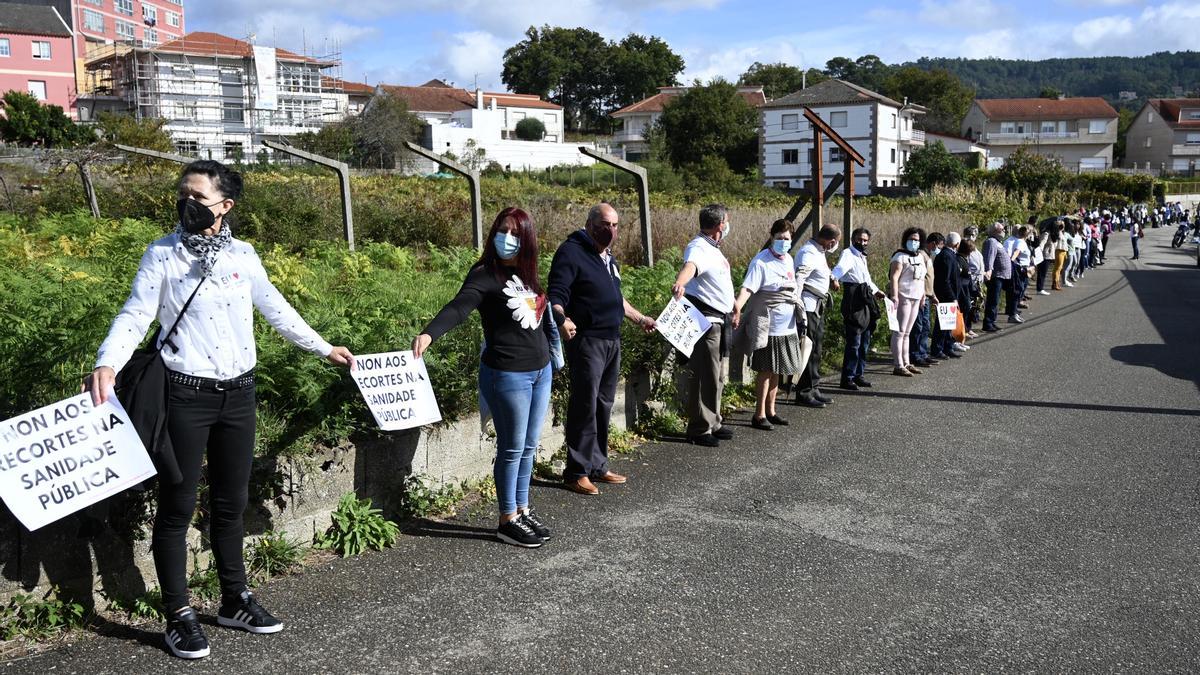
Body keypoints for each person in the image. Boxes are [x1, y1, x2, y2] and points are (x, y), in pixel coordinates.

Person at [85, 160, 356, 660]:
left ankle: (235, 598)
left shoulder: (243, 254)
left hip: (239, 395)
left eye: (198, 197)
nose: (185, 202)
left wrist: (323, 348)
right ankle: (179, 615)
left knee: (232, 502)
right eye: (182, 194)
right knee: (178, 504)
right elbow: (135, 314)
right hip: (184, 395)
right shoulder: (162, 255)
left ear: (225, 206)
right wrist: (107, 362)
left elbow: (275, 307)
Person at [415, 207, 560, 548]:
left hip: (540, 372)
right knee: (511, 448)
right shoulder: (484, 274)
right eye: (502, 230)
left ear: (526, 240)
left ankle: (523, 509)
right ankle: (506, 518)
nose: (506, 238)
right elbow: (459, 306)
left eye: (514, 233)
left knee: (528, 446)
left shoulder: (528, 274)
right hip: (507, 374)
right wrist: (429, 334)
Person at [547, 203, 656, 495]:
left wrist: (640, 318)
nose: (611, 231)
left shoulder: (608, 258)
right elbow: (556, 293)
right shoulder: (572, 252)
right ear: (591, 224)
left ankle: (597, 464)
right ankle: (576, 471)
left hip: (612, 339)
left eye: (616, 225)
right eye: (605, 225)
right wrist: (561, 319)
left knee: (603, 404)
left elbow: (616, 298)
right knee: (585, 403)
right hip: (587, 341)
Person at [672, 204, 736, 446]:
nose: (728, 225)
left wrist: (733, 305)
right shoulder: (699, 247)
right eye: (726, 221)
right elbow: (691, 267)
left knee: (717, 376)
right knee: (704, 375)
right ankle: (699, 428)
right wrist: (680, 282)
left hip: (721, 318)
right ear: (720, 225)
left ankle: (714, 420)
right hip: (705, 321)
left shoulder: (714, 249)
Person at [732, 219, 803, 430]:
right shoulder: (761, 262)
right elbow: (748, 289)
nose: (783, 242)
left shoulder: (788, 259)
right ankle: (759, 413)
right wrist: (737, 308)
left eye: (787, 239)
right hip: (768, 326)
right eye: (779, 238)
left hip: (787, 326)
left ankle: (771, 410)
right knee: (765, 370)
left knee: (778, 370)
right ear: (771, 237)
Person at [792, 224, 842, 407]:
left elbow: (823, 270)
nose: (834, 246)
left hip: (817, 305)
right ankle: (803, 391)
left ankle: (814, 386)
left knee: (816, 349)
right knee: (808, 347)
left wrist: (832, 279)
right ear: (830, 241)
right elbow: (799, 278)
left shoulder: (819, 252)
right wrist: (798, 306)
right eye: (835, 243)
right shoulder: (808, 253)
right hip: (808, 306)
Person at [830, 226, 884, 391]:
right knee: (855, 340)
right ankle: (848, 377)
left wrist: (876, 291)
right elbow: (839, 269)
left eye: (865, 240)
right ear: (853, 239)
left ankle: (859, 375)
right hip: (853, 297)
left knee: (865, 340)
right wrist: (834, 279)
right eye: (860, 239)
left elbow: (866, 279)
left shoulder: (861, 256)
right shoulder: (848, 253)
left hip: (865, 296)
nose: (862, 242)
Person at [888, 227, 927, 377]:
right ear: (906, 240)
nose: (914, 242)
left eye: (917, 240)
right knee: (899, 331)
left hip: (916, 297)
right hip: (903, 296)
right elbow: (894, 277)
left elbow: (922, 278)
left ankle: (906, 362)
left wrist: (923, 295)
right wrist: (895, 295)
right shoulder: (899, 257)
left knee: (907, 332)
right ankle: (898, 364)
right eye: (911, 239)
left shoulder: (920, 257)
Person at [909, 231, 940, 367]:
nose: (938, 249)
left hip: (927, 295)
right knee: (918, 326)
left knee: (925, 326)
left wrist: (932, 295)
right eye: (938, 245)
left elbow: (928, 279)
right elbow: (920, 278)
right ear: (932, 243)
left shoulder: (927, 256)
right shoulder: (921, 255)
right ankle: (915, 354)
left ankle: (922, 353)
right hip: (921, 296)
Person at [931, 231, 963, 360]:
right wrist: (952, 297)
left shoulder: (949, 255)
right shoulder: (946, 256)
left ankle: (947, 347)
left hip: (948, 294)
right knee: (942, 324)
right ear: (957, 244)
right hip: (945, 295)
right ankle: (938, 348)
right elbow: (945, 280)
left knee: (948, 324)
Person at [981, 222, 1012, 332]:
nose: (1004, 231)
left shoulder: (997, 242)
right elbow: (989, 257)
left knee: (995, 300)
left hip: (1001, 276)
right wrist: (988, 270)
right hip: (995, 276)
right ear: (995, 231)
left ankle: (992, 321)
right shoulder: (991, 241)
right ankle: (988, 323)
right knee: (992, 300)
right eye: (1001, 229)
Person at [1003, 224, 1030, 323]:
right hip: (1018, 268)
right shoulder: (1020, 242)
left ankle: (1013, 312)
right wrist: (1011, 261)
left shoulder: (1016, 240)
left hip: (1017, 267)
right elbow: (1016, 252)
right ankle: (1012, 314)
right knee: (1017, 290)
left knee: (1017, 290)